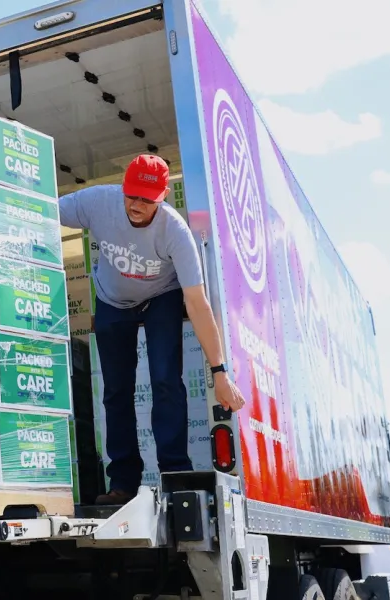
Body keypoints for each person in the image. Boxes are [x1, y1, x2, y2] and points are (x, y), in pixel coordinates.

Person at [58, 154, 247, 505]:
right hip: (112, 298)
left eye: (147, 199)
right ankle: (123, 483)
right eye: (132, 195)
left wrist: (219, 372)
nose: (136, 205)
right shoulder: (98, 202)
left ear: (161, 197)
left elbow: (197, 303)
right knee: (116, 390)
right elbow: (40, 209)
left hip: (162, 295)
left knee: (165, 379)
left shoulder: (175, 232)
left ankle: (175, 472)